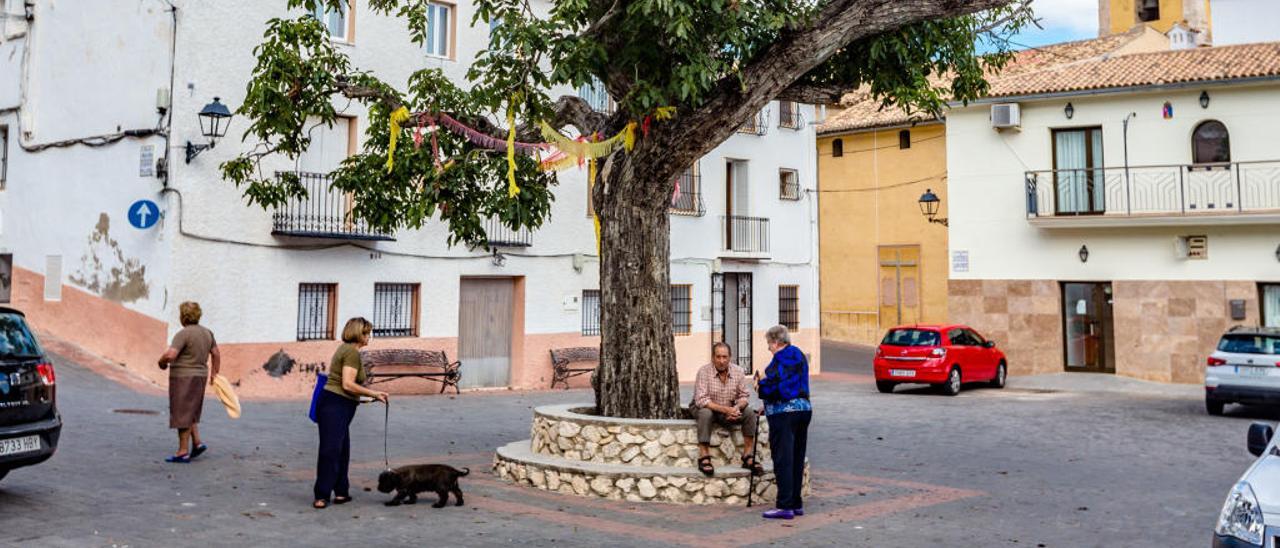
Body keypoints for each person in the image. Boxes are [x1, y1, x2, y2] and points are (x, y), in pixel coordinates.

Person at [313, 317, 389, 509]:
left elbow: (345, 384)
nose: (369, 337)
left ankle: (341, 492)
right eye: (367, 333)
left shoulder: (346, 350)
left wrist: (362, 397)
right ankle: (321, 495)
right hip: (335, 405)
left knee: (342, 450)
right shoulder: (351, 353)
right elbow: (347, 384)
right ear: (359, 334)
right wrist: (374, 393)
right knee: (330, 450)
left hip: (338, 404)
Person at [756, 324, 811, 520]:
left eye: (769, 344)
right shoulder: (799, 355)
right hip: (804, 411)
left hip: (784, 415)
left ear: (777, 342)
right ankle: (796, 503)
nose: (768, 348)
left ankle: (785, 506)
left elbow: (776, 386)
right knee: (797, 457)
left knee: (783, 459)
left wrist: (760, 386)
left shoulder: (781, 358)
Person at [157, 301, 220, 463]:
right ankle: (197, 443)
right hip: (200, 376)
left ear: (183, 317)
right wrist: (214, 374)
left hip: (183, 377)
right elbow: (216, 354)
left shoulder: (183, 334)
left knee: (182, 413)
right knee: (190, 410)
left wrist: (161, 362)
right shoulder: (208, 333)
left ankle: (182, 451)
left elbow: (171, 355)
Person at [691, 342, 763, 477]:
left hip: (729, 407)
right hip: (706, 407)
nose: (721, 361)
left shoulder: (738, 371)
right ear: (713, 357)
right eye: (718, 357)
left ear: (730, 357)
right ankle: (704, 456)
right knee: (705, 414)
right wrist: (726, 410)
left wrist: (736, 409)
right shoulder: (703, 372)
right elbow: (701, 400)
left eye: (724, 357)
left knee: (749, 412)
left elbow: (743, 396)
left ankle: (747, 455)